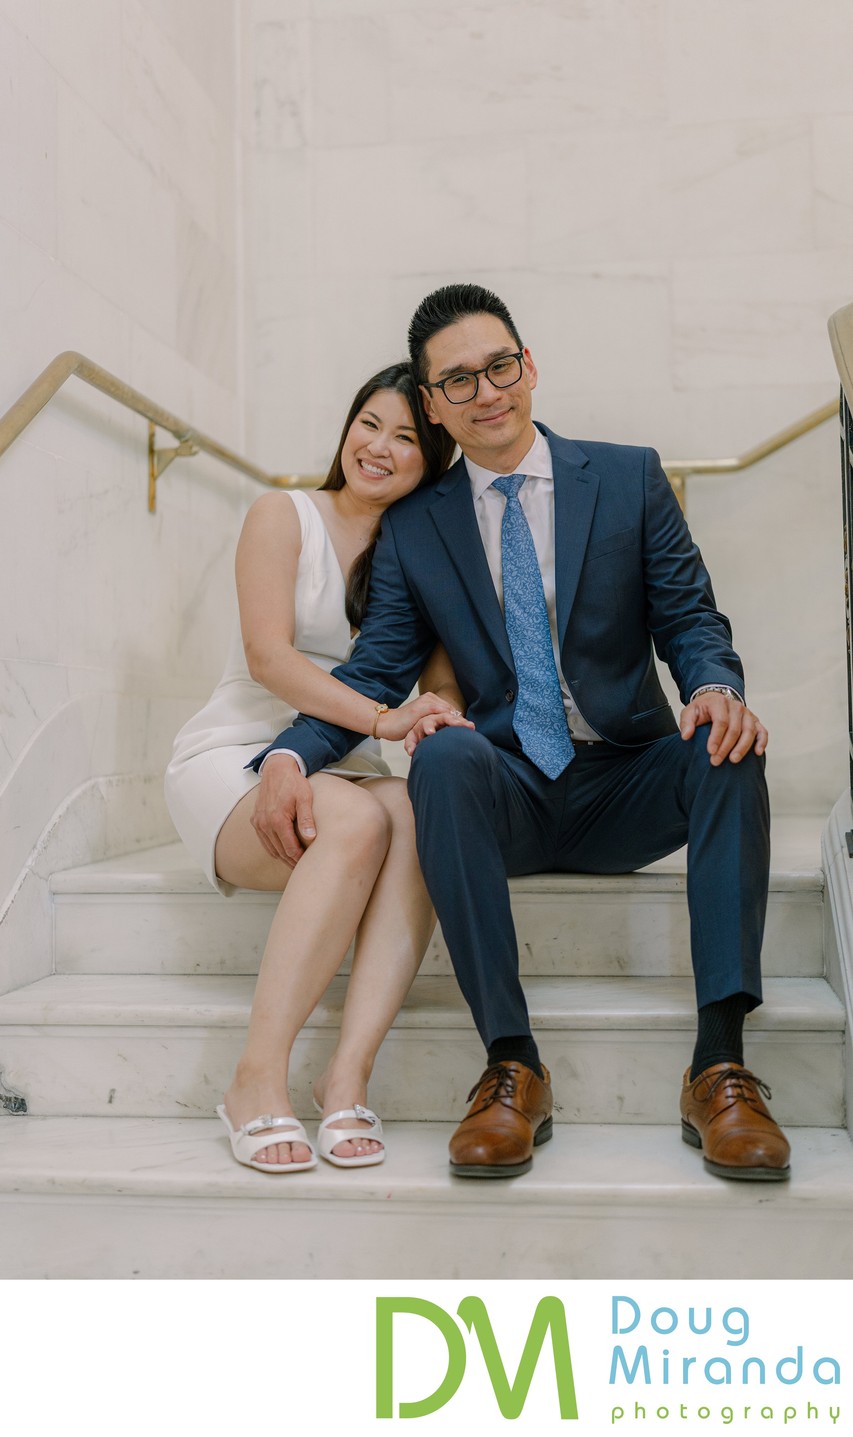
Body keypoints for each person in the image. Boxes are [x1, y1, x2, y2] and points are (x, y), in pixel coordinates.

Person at [249, 283, 790, 1184]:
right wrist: (285, 754)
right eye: (456, 381)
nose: (485, 391)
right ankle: (511, 1065)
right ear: (431, 404)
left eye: (498, 365)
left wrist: (712, 685)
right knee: (444, 747)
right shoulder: (417, 525)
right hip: (508, 793)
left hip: (624, 779)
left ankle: (720, 1066)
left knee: (726, 739)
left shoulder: (625, 477)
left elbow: (690, 617)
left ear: (528, 365)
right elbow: (377, 669)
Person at [164, 362, 460, 1172]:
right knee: (364, 814)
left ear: (432, 462)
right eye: (369, 421)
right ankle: (255, 1080)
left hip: (346, 767)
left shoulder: (425, 556)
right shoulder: (282, 513)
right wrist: (376, 720)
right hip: (237, 755)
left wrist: (440, 712)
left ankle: (344, 1076)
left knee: (410, 809)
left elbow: (435, 684)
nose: (378, 446)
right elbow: (267, 657)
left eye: (406, 437)